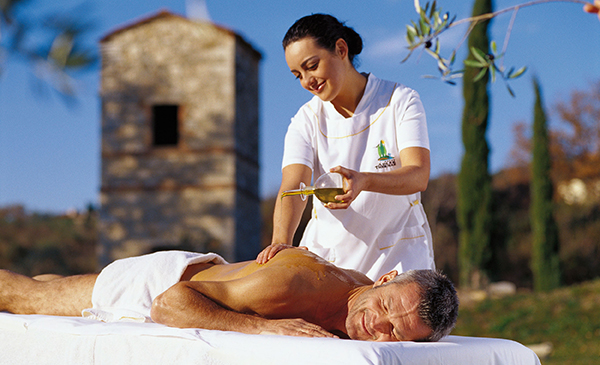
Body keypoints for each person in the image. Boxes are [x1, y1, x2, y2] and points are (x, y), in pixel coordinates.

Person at [258, 14, 435, 280]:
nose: (308, 81)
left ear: (341, 49)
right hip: (330, 263)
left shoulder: (400, 100)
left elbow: (418, 175)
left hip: (398, 259)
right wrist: (281, 241)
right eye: (298, 75)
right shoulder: (305, 121)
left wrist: (364, 180)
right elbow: (293, 187)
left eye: (312, 66)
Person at [0, 248, 458, 342]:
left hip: (215, 278)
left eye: (396, 334)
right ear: (384, 279)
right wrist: (262, 327)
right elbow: (170, 303)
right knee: (24, 298)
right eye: (384, 309)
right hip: (160, 283)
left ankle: (50, 280)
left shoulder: (362, 296)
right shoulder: (293, 285)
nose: (376, 326)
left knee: (51, 287)